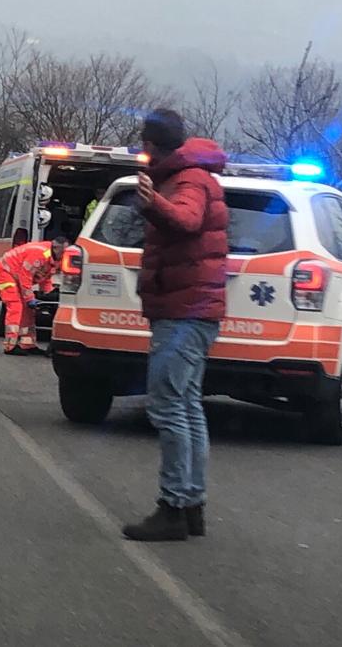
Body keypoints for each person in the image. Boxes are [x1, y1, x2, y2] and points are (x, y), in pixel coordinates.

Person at [122, 109, 229, 542]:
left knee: (167, 405)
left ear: (151, 144)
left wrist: (153, 204)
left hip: (184, 311)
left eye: (144, 143)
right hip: (193, 309)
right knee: (187, 405)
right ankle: (191, 505)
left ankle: (173, 507)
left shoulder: (188, 180)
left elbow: (186, 220)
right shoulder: (193, 174)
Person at [0, 237, 69, 355]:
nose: (65, 254)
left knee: (28, 310)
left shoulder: (55, 259)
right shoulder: (39, 254)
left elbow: (45, 277)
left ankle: (27, 344)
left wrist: (47, 294)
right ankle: (10, 346)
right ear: (56, 248)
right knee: (15, 306)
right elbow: (25, 276)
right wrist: (30, 298)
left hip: (16, 275)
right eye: (63, 251)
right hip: (5, 273)